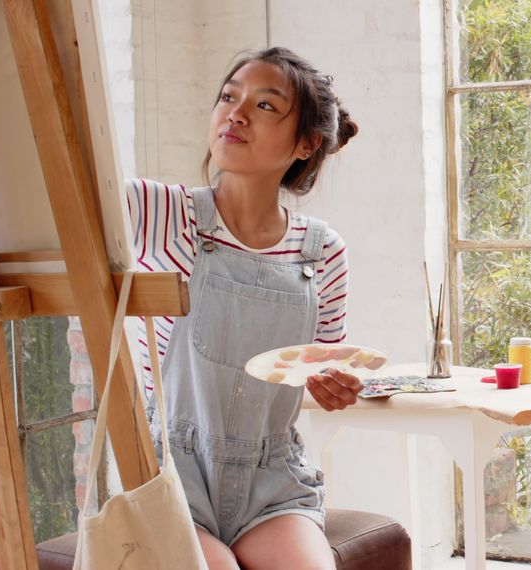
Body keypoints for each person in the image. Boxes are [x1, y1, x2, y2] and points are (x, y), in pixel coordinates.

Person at [127, 47, 361, 569]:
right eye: (229, 97)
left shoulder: (323, 252)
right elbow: (67, 201)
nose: (235, 113)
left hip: (272, 479)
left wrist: (334, 385)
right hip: (167, 473)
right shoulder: (165, 213)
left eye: (265, 106)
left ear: (306, 143)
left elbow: (323, 373)